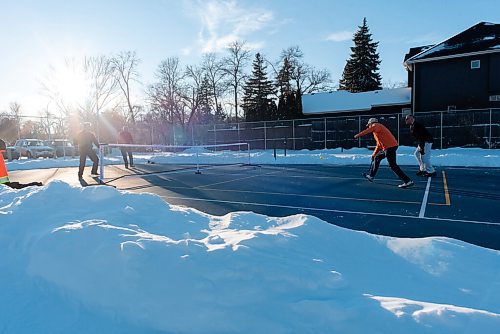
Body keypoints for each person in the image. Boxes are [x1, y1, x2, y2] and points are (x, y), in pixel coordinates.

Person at [354, 118, 414, 188]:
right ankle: (371, 176)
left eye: (369, 125)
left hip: (389, 147)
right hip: (388, 147)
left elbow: (369, 130)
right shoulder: (377, 132)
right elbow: (379, 145)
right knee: (377, 158)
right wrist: (373, 155)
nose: (368, 126)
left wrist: (358, 135)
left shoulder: (376, 125)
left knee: (392, 165)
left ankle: (407, 181)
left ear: (371, 123)